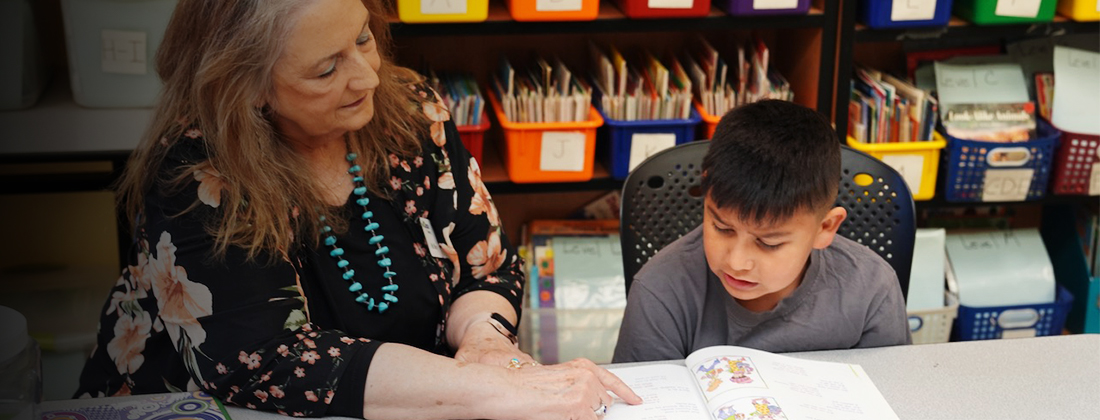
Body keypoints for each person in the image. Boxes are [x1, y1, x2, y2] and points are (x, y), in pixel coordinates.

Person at [74, 0, 641, 419]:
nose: (367, 76)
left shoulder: (410, 109)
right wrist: (485, 388)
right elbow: (264, 359)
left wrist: (485, 343)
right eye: (326, 69)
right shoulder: (196, 175)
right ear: (247, 88)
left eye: (364, 39)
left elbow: (484, 262)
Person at [613, 100, 911, 363]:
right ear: (705, 191)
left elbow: (891, 397)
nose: (737, 262)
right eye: (721, 227)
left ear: (825, 228)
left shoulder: (872, 288)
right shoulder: (661, 290)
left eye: (768, 243)